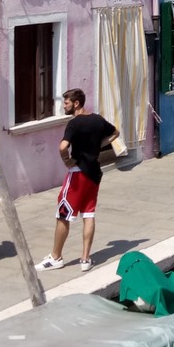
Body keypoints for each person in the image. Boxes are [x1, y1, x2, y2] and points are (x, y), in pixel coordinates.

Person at [38, 88, 117, 274]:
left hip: (77, 174)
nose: (63, 106)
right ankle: (85, 259)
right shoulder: (98, 120)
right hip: (94, 175)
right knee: (88, 214)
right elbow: (116, 133)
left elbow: (63, 147)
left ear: (76, 103)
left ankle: (56, 257)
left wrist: (67, 161)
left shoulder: (74, 124)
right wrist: (99, 145)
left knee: (63, 215)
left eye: (66, 103)